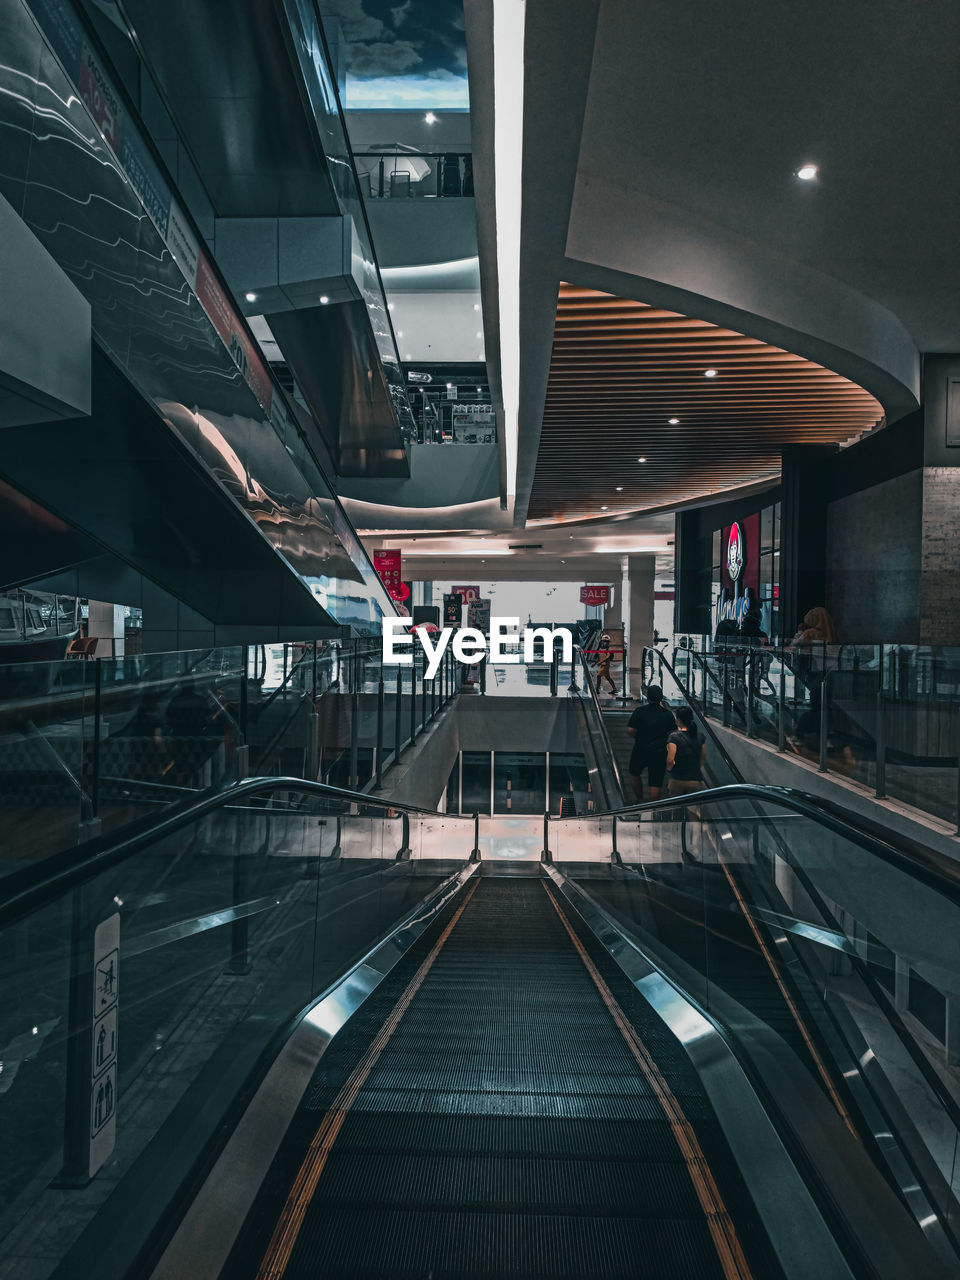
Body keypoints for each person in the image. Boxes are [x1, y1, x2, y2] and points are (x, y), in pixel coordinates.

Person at [626, 684, 676, 801]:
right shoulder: (667, 714)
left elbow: (630, 730)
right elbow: (673, 733)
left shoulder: (639, 711)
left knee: (634, 773)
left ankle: (641, 800)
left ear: (647, 697)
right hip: (659, 751)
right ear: (661, 698)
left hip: (641, 748)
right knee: (655, 782)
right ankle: (653, 807)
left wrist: (638, 737)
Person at [665, 706, 706, 796]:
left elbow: (670, 760)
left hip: (677, 779)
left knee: (675, 807)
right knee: (694, 808)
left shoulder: (674, 737)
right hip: (695, 779)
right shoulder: (700, 736)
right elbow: (702, 759)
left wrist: (669, 769)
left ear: (678, 719)